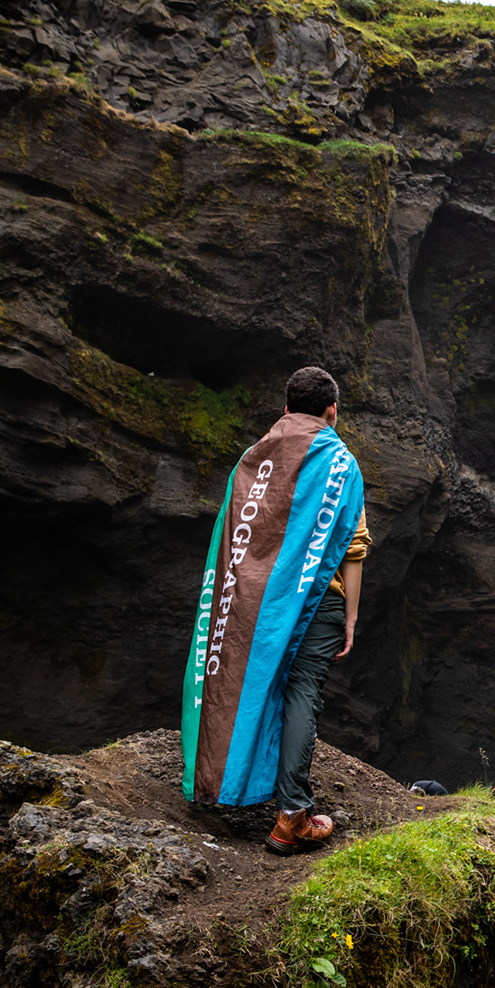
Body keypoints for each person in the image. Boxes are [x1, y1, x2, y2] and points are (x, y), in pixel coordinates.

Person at [180, 366, 371, 856]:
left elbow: (236, 542)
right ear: (333, 412)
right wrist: (349, 616)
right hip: (321, 602)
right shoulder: (340, 464)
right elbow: (354, 547)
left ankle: (217, 782)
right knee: (302, 693)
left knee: (249, 684)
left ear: (286, 409)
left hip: (256, 606)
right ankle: (291, 818)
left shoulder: (252, 460)